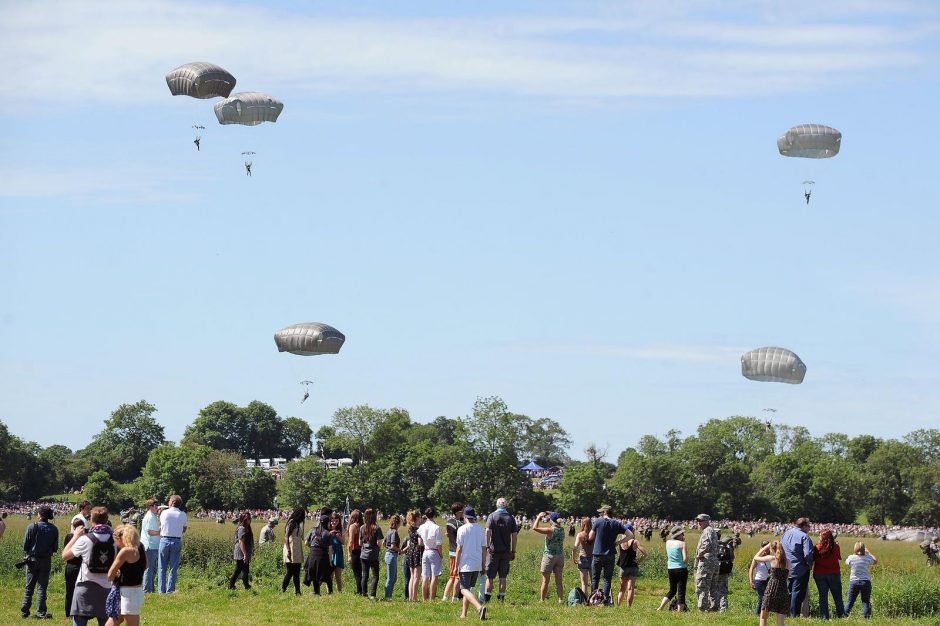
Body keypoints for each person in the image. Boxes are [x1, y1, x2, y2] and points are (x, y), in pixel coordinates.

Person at [63, 506, 116, 626]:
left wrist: (76, 536)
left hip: (84, 586)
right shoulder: (115, 541)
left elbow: (65, 556)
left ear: (92, 520)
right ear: (107, 520)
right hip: (106, 587)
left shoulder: (85, 540)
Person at [21, 505, 59, 619]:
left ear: (40, 515)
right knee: (42, 587)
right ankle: (41, 611)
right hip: (46, 561)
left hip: (32, 560)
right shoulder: (54, 529)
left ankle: (25, 610)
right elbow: (55, 548)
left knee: (29, 587)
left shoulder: (32, 526)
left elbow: (25, 546)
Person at [106, 524, 146, 626]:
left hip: (128, 593)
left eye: (116, 541)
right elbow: (145, 565)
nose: (117, 545)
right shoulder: (140, 546)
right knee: (115, 619)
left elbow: (110, 574)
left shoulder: (125, 551)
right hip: (136, 589)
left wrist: (118, 573)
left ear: (122, 538)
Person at [588, 504, 628, 606]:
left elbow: (590, 537)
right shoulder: (617, 523)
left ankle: (594, 599)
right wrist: (618, 543)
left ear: (605, 512)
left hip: (597, 554)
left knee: (595, 578)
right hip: (610, 554)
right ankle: (604, 601)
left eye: (601, 512)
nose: (600, 513)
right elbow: (630, 535)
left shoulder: (597, 521)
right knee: (607, 579)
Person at [484, 497, 519, 603]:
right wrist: (513, 551)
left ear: (497, 505)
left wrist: (487, 546)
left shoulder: (492, 516)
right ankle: (501, 599)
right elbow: (514, 535)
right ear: (506, 505)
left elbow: (487, 531)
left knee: (490, 577)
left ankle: (487, 600)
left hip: (493, 551)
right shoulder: (511, 518)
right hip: (506, 552)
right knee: (502, 577)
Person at [455, 506, 487, 620]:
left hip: (465, 564)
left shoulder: (462, 529)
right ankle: (464, 614)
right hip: (477, 564)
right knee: (468, 590)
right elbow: (484, 549)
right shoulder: (481, 529)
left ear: (464, 516)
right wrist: (483, 566)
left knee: (463, 589)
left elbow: (459, 549)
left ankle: (479, 607)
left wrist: (455, 566)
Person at [781, 517, 814, 617]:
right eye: (808, 526)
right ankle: (794, 614)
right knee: (797, 592)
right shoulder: (805, 537)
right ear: (804, 526)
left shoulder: (786, 533)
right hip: (800, 569)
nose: (809, 528)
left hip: (786, 567)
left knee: (788, 591)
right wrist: (809, 564)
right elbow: (808, 554)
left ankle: (785, 613)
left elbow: (780, 548)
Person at [753, 540, 790, 626]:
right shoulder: (788, 562)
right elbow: (787, 577)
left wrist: (765, 547)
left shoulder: (772, 559)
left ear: (773, 549)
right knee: (780, 621)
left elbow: (756, 557)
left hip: (771, 590)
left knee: (763, 617)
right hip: (783, 590)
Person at [532, 511, 565, 602]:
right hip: (560, 556)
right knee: (559, 581)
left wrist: (538, 517)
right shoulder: (562, 529)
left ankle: (542, 600)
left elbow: (534, 527)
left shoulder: (550, 530)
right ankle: (561, 600)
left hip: (549, 557)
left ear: (552, 520)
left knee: (545, 581)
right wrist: (549, 512)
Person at [158, 495, 187, 594]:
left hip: (164, 539)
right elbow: (184, 529)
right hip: (176, 540)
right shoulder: (183, 514)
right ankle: (170, 590)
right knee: (173, 567)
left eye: (169, 500)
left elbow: (161, 525)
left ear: (172, 502)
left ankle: (161, 590)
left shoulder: (164, 513)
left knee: (162, 567)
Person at [813, 529, 844, 619]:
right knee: (837, 596)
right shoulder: (836, 547)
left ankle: (824, 617)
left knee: (823, 597)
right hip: (834, 573)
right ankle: (841, 615)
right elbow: (838, 557)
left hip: (819, 574)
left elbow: (813, 559)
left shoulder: (817, 547)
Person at [658, 525, 688, 612]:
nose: (683, 535)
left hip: (670, 568)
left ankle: (661, 607)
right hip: (681, 569)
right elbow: (685, 559)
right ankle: (679, 611)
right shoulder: (682, 544)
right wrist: (685, 564)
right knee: (681, 591)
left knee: (672, 590)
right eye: (682, 533)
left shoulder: (668, 542)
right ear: (678, 535)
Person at [694, 513, 720, 612]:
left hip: (706, 561)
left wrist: (700, 554)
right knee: (713, 586)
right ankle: (714, 608)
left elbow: (707, 544)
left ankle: (702, 608)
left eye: (701, 521)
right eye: (698, 521)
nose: (699, 523)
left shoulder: (707, 530)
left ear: (706, 521)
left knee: (702, 585)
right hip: (714, 561)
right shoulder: (712, 530)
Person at [844, 541, 877, 618]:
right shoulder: (867, 558)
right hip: (865, 582)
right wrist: (869, 552)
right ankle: (867, 618)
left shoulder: (851, 557)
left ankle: (844, 616)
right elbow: (875, 561)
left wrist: (854, 554)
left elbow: (847, 563)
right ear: (863, 549)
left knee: (850, 601)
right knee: (865, 601)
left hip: (854, 582)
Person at [418, 506, 444, 600]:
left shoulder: (421, 527)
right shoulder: (436, 527)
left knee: (425, 576)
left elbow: (420, 542)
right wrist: (441, 555)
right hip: (434, 551)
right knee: (434, 576)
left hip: (425, 551)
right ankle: (432, 598)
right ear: (434, 515)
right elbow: (439, 544)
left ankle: (424, 599)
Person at [304, 513, 334, 595]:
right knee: (327, 573)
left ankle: (316, 592)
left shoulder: (313, 530)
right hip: (323, 554)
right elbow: (330, 549)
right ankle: (330, 592)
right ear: (327, 523)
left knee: (314, 573)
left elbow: (306, 542)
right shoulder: (328, 533)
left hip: (313, 553)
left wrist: (312, 547)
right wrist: (331, 561)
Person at [616, 530, 646, 607]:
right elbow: (645, 554)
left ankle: (618, 606)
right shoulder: (635, 542)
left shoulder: (620, 541)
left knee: (622, 588)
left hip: (623, 567)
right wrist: (638, 561)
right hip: (633, 566)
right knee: (630, 588)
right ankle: (629, 607)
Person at [359, 508, 384, 600]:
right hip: (373, 555)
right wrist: (380, 548)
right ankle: (373, 594)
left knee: (365, 575)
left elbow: (359, 543)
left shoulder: (362, 527)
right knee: (375, 576)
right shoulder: (377, 528)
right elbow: (378, 542)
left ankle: (364, 593)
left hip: (363, 554)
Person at [442, 502, 465, 602]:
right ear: (459, 512)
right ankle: (454, 598)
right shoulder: (459, 524)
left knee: (451, 576)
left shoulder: (448, 522)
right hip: (458, 552)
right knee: (457, 577)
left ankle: (445, 597)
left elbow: (448, 533)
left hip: (451, 551)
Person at [65, 518, 86, 619]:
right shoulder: (85, 538)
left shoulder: (69, 536)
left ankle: (68, 614)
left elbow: (65, 550)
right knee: (81, 591)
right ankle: (80, 612)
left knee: (69, 591)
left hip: (70, 566)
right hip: (81, 566)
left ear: (73, 527)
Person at [282, 507, 306, 595]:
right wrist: (288, 550)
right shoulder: (292, 523)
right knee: (291, 571)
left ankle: (298, 591)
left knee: (297, 572)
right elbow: (286, 537)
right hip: (291, 549)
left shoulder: (297, 524)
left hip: (297, 550)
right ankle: (283, 588)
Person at [227, 511, 253, 590]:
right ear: (244, 519)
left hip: (244, 551)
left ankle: (246, 585)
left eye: (250, 518)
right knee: (238, 570)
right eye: (248, 518)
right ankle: (231, 585)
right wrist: (245, 554)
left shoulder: (246, 527)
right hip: (241, 551)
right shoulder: (242, 528)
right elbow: (241, 542)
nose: (250, 520)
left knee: (245, 569)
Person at [139, 500, 160, 594]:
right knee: (149, 569)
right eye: (155, 505)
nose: (157, 507)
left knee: (152, 569)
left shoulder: (154, 515)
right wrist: (163, 533)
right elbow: (150, 532)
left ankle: (150, 588)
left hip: (153, 545)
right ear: (150, 506)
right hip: (150, 545)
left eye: (158, 505)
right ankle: (147, 590)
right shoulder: (150, 517)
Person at [403, 509, 423, 601]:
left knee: (412, 576)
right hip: (417, 551)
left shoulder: (410, 528)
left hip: (411, 551)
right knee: (416, 577)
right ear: (417, 518)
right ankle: (414, 598)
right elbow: (420, 542)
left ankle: (411, 597)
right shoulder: (419, 529)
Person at [748, 540, 772, 616]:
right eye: (767, 549)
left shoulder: (768, 557)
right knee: (762, 598)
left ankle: (761, 612)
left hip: (766, 580)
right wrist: (751, 581)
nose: (768, 551)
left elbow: (769, 570)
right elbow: (751, 569)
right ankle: (759, 614)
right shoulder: (757, 557)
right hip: (759, 581)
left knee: (764, 598)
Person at [383, 514, 401, 600]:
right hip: (392, 555)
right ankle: (387, 597)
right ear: (398, 523)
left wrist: (388, 547)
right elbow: (393, 546)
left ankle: (389, 595)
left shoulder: (389, 531)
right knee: (391, 578)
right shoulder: (394, 532)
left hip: (388, 554)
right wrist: (400, 550)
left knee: (394, 578)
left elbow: (384, 543)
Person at [715, 535, 735, 611]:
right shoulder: (729, 548)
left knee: (715, 589)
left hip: (716, 570)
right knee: (723, 590)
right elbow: (732, 558)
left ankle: (715, 606)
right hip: (725, 571)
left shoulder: (716, 546)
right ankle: (723, 608)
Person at [572, 516, 591, 595]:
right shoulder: (594, 533)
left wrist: (574, 558)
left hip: (583, 559)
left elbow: (575, 547)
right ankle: (594, 599)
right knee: (593, 581)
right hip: (593, 559)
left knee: (584, 583)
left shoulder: (580, 535)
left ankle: (585, 600)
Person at [328, 512, 345, 593]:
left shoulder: (341, 529)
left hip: (338, 553)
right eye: (332, 520)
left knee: (338, 576)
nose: (334, 522)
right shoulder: (327, 529)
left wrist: (338, 536)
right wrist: (329, 534)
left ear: (339, 521)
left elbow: (344, 542)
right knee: (329, 575)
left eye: (336, 521)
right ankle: (329, 592)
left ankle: (339, 592)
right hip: (329, 554)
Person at [347, 509, 363, 595]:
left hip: (355, 551)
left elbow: (350, 542)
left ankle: (359, 591)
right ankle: (363, 590)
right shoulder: (363, 526)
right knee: (361, 572)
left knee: (357, 573)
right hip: (363, 551)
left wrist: (349, 554)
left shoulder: (353, 526)